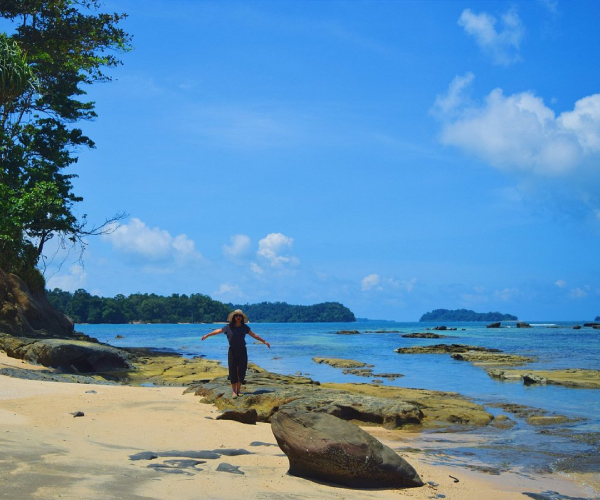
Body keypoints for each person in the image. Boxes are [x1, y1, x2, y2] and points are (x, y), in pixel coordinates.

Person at [201, 309, 270, 398]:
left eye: (239, 316)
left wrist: (264, 341)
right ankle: (234, 391)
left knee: (241, 370)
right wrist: (207, 335)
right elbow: (218, 331)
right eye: (236, 316)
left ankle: (239, 390)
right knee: (233, 370)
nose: (238, 317)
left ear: (242, 318)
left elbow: (253, 335)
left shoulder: (244, 327)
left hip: (242, 350)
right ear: (234, 317)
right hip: (232, 351)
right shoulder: (228, 327)